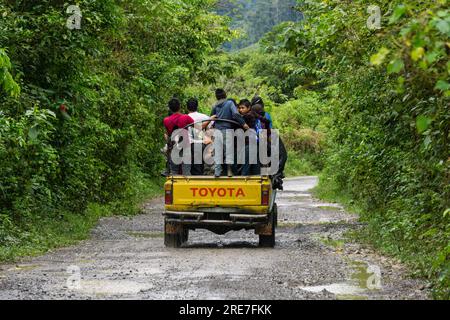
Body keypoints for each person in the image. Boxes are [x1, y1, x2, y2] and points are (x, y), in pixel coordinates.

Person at [211, 89, 248, 177]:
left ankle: (217, 172)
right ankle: (229, 171)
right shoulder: (229, 103)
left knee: (218, 151)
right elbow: (235, 114)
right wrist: (243, 123)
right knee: (228, 152)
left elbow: (213, 116)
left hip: (217, 131)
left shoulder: (214, 105)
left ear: (216, 96)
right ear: (225, 95)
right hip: (227, 130)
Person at [163, 98, 194, 175]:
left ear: (170, 108)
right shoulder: (186, 117)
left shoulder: (166, 120)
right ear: (179, 107)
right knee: (186, 171)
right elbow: (195, 125)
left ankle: (175, 186)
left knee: (174, 171)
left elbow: (167, 134)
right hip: (185, 146)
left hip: (174, 146)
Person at [237, 99, 261, 176]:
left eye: (242, 108)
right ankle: (257, 181)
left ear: (249, 108)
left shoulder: (248, 116)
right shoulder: (253, 115)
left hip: (250, 143)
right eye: (239, 108)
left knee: (246, 165)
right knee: (255, 165)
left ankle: (243, 182)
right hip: (255, 143)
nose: (240, 110)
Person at [186, 98, 209, 176]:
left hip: (189, 144)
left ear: (187, 107)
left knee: (192, 166)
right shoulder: (204, 117)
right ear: (197, 106)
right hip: (202, 144)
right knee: (200, 165)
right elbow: (211, 126)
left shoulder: (184, 117)